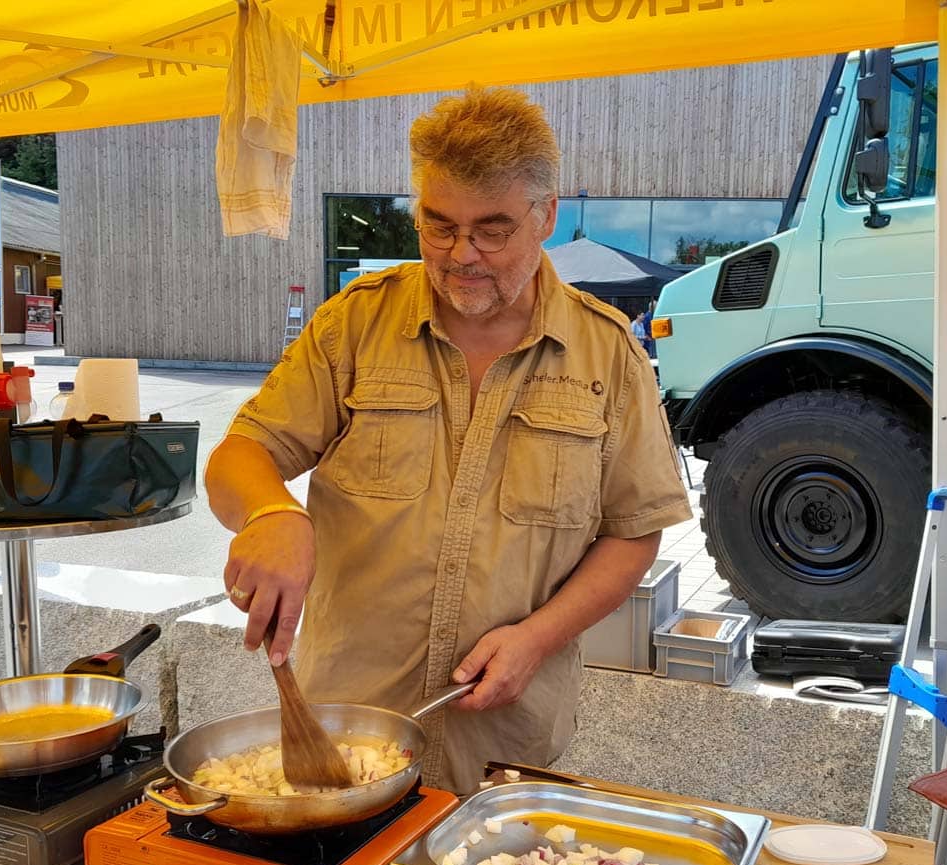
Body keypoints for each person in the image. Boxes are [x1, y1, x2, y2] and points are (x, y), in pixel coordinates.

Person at [204, 86, 693, 794]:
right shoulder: (353, 326)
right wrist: (270, 514)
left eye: (492, 229)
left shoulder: (607, 353)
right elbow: (240, 455)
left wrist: (537, 639)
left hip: (503, 741)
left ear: (545, 216)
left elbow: (632, 534)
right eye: (438, 225)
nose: (461, 254)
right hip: (345, 733)